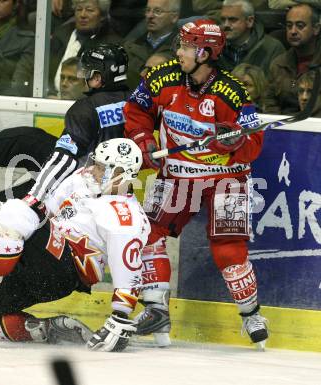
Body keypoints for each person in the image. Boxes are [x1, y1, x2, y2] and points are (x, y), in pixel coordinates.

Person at [0, 44, 131, 293]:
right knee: (31, 140)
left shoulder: (84, 109)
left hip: (73, 187)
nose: (85, 76)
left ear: (98, 76)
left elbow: (62, 162)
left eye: (89, 72)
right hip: (109, 182)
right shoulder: (134, 102)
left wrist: (34, 198)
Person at [123, 19, 269, 349]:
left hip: (226, 179)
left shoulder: (231, 92)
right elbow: (136, 109)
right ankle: (156, 310)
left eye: (187, 47)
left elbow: (253, 142)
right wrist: (144, 138)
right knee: (147, 234)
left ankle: (251, 315)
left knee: (228, 250)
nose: (179, 52)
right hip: (177, 174)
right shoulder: (163, 77)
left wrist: (231, 143)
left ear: (205, 53)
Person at [0, 138, 150, 353]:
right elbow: (42, 210)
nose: (93, 170)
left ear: (122, 173)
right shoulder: (81, 180)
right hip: (37, 262)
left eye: (102, 167)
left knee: (17, 209)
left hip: (64, 268)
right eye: (95, 162)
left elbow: (128, 270)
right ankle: (49, 329)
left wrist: (120, 318)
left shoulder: (126, 217)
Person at [49, 0, 122, 95]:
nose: (82, 15)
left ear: (102, 16)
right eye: (79, 9)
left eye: (89, 10)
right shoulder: (60, 35)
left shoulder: (110, 46)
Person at [267, 2, 321, 114]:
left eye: (300, 26)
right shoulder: (278, 64)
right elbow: (269, 102)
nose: (293, 31)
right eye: (289, 25)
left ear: (316, 28)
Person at [123, 0, 180, 89]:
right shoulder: (128, 46)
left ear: (174, 17)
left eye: (157, 11)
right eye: (147, 10)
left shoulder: (184, 51)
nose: (149, 16)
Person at [218, 0, 285, 76]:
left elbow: (276, 85)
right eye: (223, 20)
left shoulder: (272, 48)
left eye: (233, 20)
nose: (226, 25)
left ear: (250, 21)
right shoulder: (215, 46)